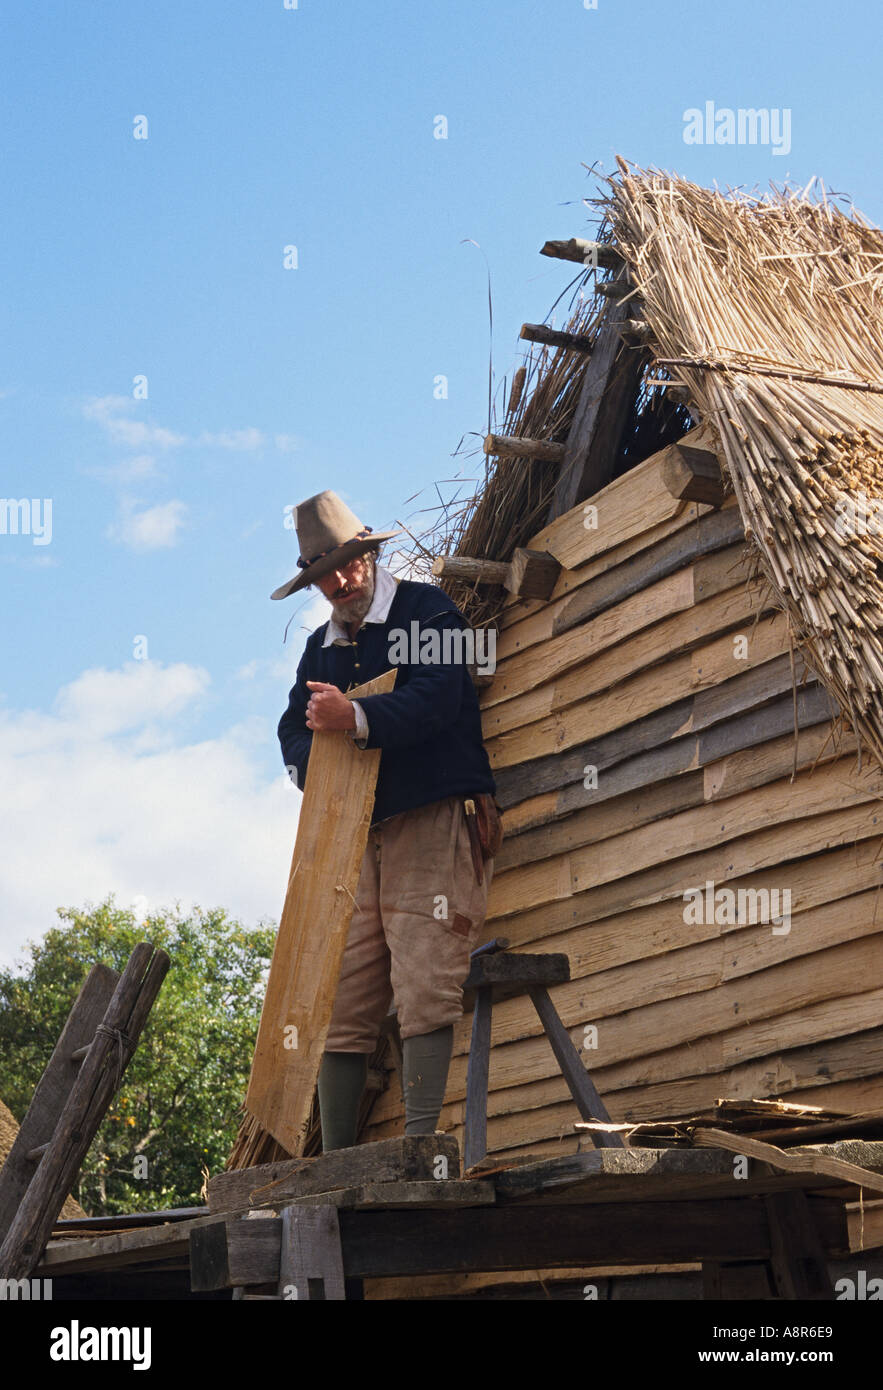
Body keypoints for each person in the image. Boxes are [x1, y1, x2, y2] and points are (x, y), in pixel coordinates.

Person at [272, 490, 499, 1149]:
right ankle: (338, 1162)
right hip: (354, 835)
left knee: (426, 978)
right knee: (341, 996)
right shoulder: (319, 650)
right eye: (324, 575)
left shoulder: (427, 611)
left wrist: (355, 717)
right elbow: (292, 730)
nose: (339, 582)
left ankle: (421, 1146)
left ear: (368, 556)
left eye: (346, 565)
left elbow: (439, 698)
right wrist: (317, 766)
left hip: (432, 820)